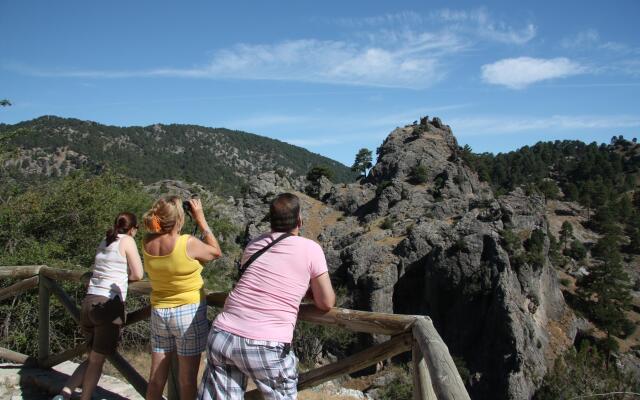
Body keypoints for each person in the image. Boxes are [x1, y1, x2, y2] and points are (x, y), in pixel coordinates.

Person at [198, 192, 336, 400]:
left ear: (270, 221)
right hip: (267, 343)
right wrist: (305, 292)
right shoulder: (311, 248)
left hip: (223, 334)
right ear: (299, 220)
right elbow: (326, 302)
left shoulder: (254, 244)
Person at [53, 212, 144, 400]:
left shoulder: (106, 240)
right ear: (133, 228)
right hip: (108, 306)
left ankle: (64, 394)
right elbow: (138, 274)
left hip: (89, 303)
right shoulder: (127, 241)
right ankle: (84, 398)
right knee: (96, 361)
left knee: (92, 356)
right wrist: (122, 278)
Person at [143, 196, 222, 400]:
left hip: (159, 311)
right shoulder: (187, 243)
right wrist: (201, 219)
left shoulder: (147, 242)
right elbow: (216, 252)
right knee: (186, 379)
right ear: (179, 218)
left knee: (155, 378)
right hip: (188, 312)